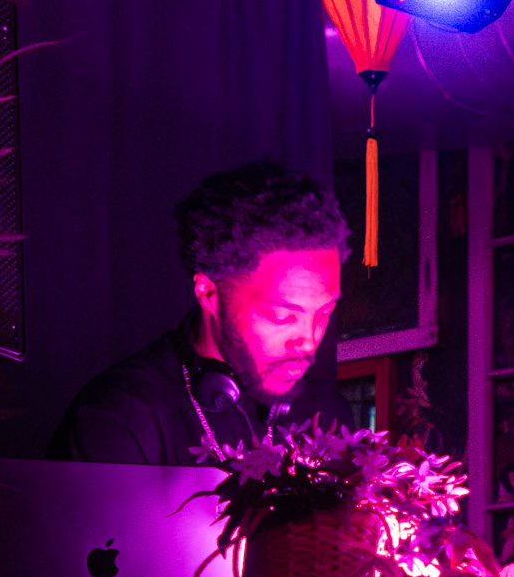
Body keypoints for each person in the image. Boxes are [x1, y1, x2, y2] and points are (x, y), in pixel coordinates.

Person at [48, 163, 352, 463]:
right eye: (281, 317)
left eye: (324, 313)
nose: (308, 342)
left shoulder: (329, 416)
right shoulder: (118, 420)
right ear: (208, 293)